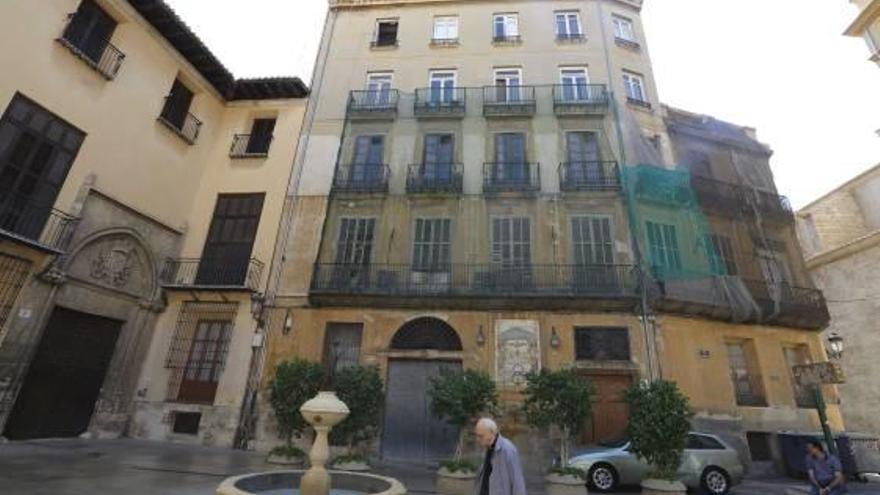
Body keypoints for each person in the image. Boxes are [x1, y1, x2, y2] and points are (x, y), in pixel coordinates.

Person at [474, 417, 527, 495]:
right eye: (477, 436)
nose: (477, 439)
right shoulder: (488, 447)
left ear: (492, 433)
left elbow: (517, 481)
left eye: (481, 436)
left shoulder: (507, 449)